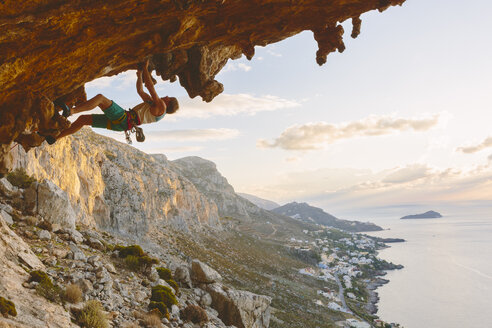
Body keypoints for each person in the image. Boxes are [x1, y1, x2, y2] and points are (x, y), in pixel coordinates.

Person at [45, 59, 179, 144]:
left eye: (168, 97)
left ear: (168, 102)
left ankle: (70, 111)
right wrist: (139, 75)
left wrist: (145, 68)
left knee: (100, 98)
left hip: (124, 118)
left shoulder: (161, 107)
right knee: (83, 120)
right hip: (122, 124)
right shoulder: (154, 107)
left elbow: (150, 88)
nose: (165, 96)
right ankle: (55, 138)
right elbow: (141, 91)